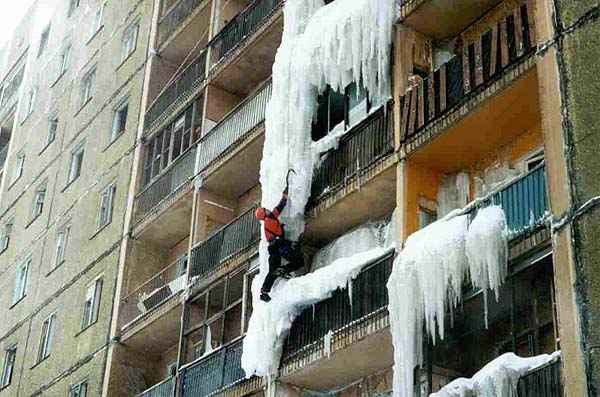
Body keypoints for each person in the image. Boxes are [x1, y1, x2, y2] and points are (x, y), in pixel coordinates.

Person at [255, 184, 304, 302]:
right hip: (280, 245)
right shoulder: (271, 217)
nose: (268, 209)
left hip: (273, 249)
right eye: (265, 210)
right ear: (264, 213)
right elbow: (281, 205)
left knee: (272, 271)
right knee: (298, 261)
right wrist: (285, 194)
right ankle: (283, 270)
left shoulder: (266, 225)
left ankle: (264, 292)